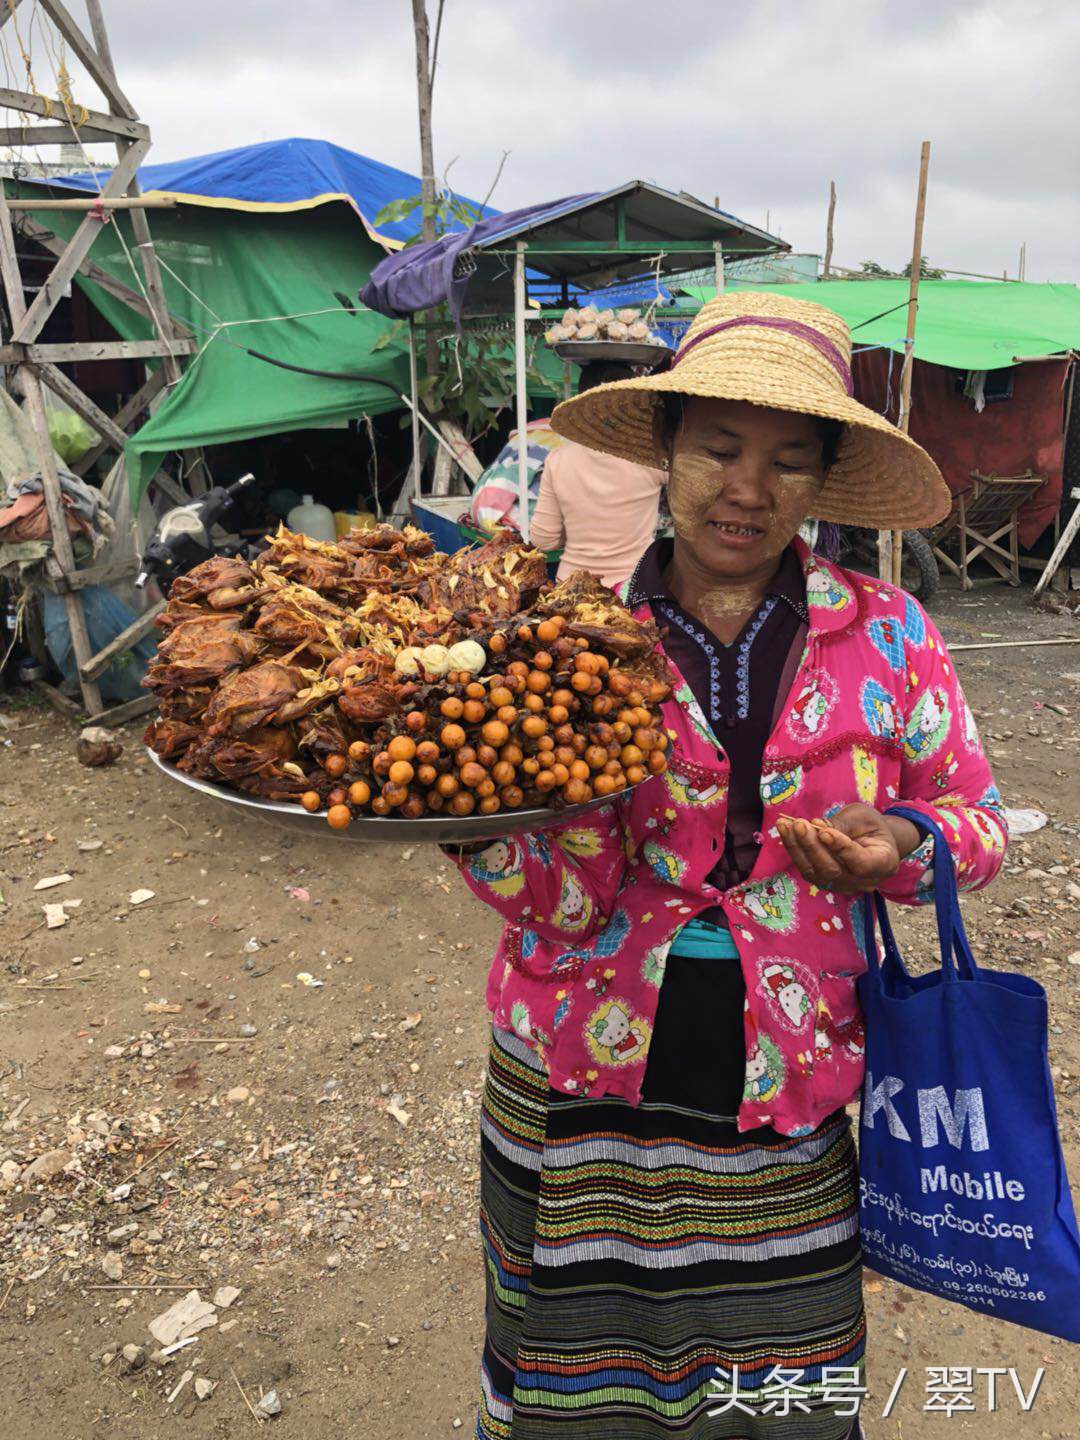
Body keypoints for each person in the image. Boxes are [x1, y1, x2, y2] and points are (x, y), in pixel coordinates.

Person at [450, 291, 1008, 1439]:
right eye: (718, 448)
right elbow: (565, 899)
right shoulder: (577, 633)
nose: (748, 490)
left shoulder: (890, 632)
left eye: (789, 463)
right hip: (580, 1075)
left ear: (823, 482)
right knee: (575, 1384)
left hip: (789, 1073)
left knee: (783, 1391)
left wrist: (899, 846)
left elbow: (978, 816)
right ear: (666, 449)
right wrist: (472, 820)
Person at [528, 360, 666, 588]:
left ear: (581, 403)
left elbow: (543, 540)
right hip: (633, 588)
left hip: (571, 588)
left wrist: (576, 533)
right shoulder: (651, 458)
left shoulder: (558, 459)